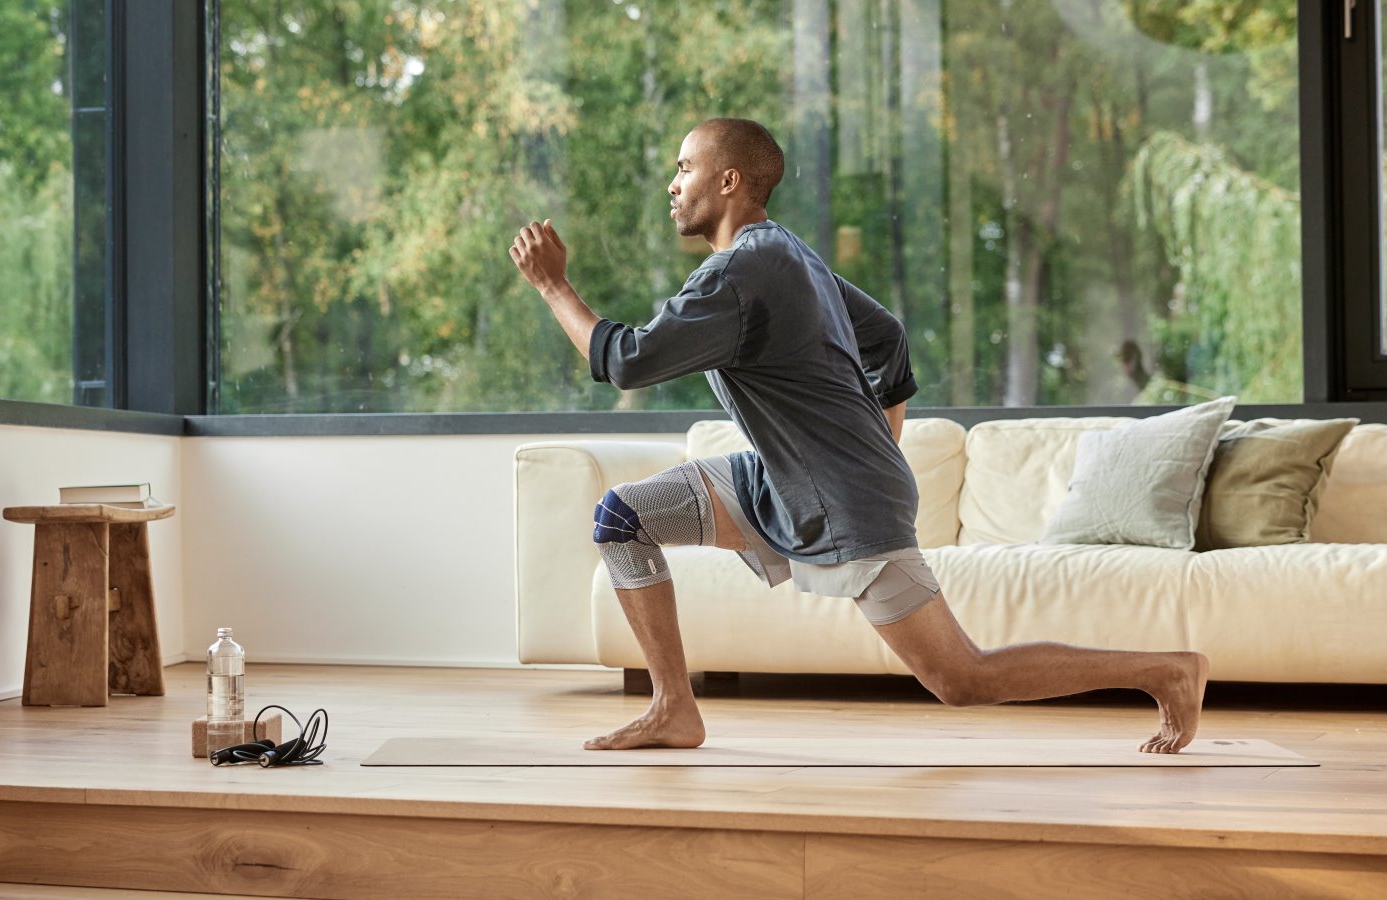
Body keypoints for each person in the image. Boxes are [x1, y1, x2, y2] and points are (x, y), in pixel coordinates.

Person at [508, 117, 1208, 754]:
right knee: (623, 518)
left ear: (728, 181)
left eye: (685, 166)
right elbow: (890, 342)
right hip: (783, 478)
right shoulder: (787, 255)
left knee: (961, 678)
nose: (672, 181)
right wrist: (872, 446)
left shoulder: (737, 275)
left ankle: (1164, 671)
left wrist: (552, 286)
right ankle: (673, 707)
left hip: (844, 498)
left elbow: (623, 359)